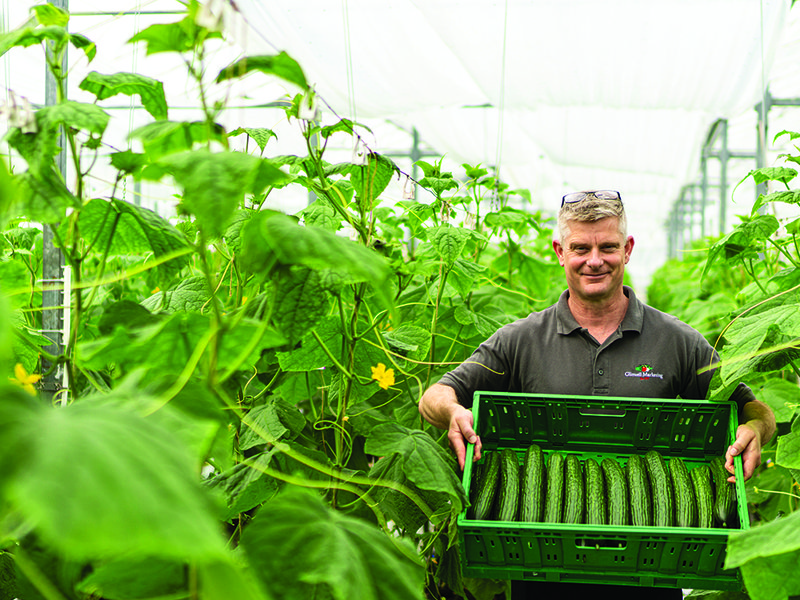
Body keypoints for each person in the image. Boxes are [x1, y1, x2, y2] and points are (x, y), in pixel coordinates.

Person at [418, 190, 776, 600]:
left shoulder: (677, 341)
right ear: (560, 252)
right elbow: (436, 395)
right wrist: (452, 411)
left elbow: (751, 407)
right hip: (540, 566)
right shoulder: (520, 340)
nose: (594, 260)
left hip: (651, 566)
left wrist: (756, 427)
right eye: (580, 248)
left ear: (627, 250)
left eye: (607, 247)